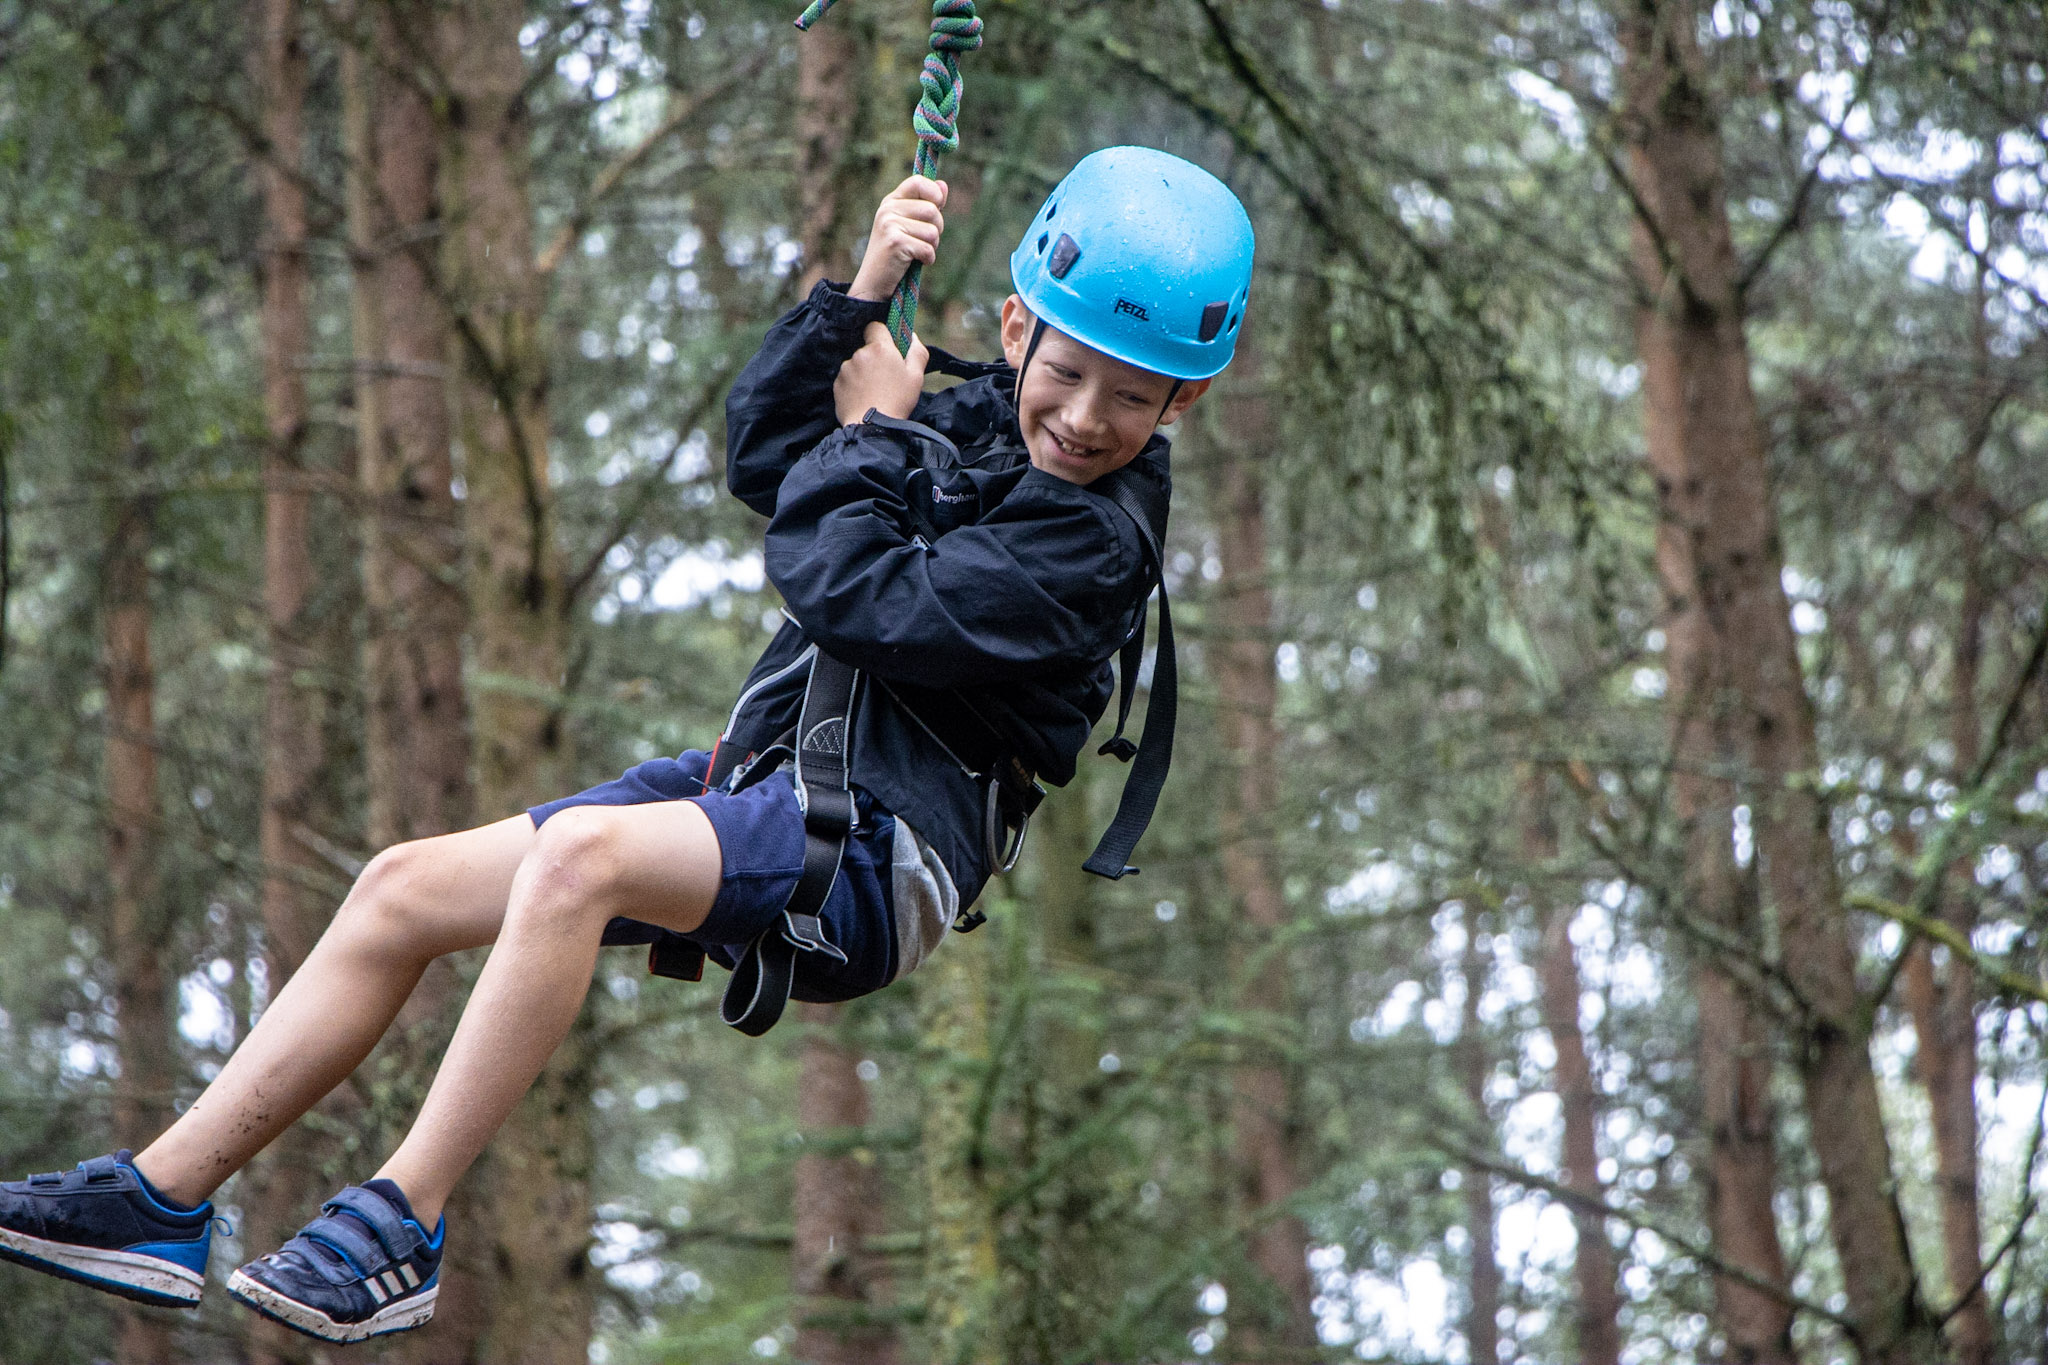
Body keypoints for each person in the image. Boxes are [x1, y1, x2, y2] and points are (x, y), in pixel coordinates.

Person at [0, 145, 1255, 1344]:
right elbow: (770, 458)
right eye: (1067, 372)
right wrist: (858, 297)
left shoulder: (1092, 549)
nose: (1086, 417)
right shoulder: (982, 409)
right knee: (399, 888)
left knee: (578, 861)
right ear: (1016, 325)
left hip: (880, 860)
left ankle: (401, 1223)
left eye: (1131, 397)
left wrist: (872, 440)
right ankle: (159, 1201)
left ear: (1181, 400)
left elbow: (852, 590)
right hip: (774, 790)